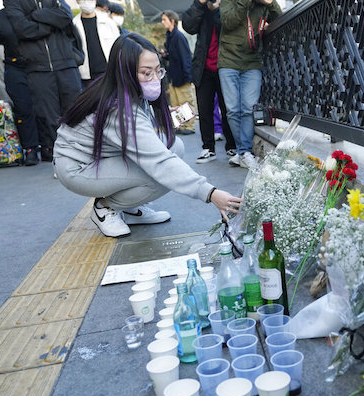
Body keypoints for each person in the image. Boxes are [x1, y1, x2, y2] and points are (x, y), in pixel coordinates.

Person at [53, 33, 241, 238]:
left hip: (102, 157)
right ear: (125, 73)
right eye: (146, 73)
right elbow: (159, 161)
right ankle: (105, 207)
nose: (154, 79)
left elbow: (141, 132)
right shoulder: (117, 108)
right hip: (78, 169)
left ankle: (130, 208)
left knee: (175, 146)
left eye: (157, 71)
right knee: (159, 173)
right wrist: (210, 193)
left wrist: (170, 116)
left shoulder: (125, 92)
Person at [4, 0, 83, 163]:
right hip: (37, 69)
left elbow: (66, 16)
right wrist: (51, 25)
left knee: (77, 112)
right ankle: (63, 160)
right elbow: (22, 29)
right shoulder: (12, 2)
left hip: (66, 64)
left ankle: (83, 153)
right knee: (49, 119)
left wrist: (35, 16)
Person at [219, 0, 281, 168]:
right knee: (232, 110)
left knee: (249, 108)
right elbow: (228, 22)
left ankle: (244, 152)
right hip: (228, 61)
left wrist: (270, 2)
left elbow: (280, 19)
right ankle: (244, 151)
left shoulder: (263, 4)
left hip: (253, 62)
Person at [0, 8, 41, 165]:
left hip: (40, 65)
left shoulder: (36, 11)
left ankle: (49, 145)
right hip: (15, 67)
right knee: (23, 108)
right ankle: (30, 148)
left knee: (45, 106)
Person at [182, 0, 236, 163]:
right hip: (203, 68)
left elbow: (226, 26)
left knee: (227, 109)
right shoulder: (200, 7)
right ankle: (208, 148)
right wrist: (200, 4)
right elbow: (188, 26)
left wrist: (217, 9)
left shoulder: (227, 5)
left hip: (225, 65)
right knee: (205, 109)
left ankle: (232, 146)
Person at [160, 10, 196, 136]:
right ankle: (181, 125)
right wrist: (166, 55)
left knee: (185, 101)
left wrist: (188, 76)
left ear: (172, 20)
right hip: (174, 76)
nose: (162, 22)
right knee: (176, 103)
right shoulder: (169, 36)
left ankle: (189, 126)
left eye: (164, 19)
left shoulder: (179, 36)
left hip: (182, 76)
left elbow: (185, 57)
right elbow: (174, 56)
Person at [73, 0, 121, 88]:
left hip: (109, 73)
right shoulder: (74, 24)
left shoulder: (108, 22)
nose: (86, 2)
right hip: (87, 77)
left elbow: (119, 45)